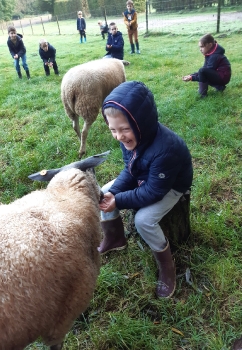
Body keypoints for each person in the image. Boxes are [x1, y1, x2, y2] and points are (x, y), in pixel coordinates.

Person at [99, 81, 193, 299]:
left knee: (144, 220)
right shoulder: (131, 139)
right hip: (148, 178)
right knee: (105, 190)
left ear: (142, 123)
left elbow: (153, 192)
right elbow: (130, 170)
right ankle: (114, 238)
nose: (119, 137)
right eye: (112, 129)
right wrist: (115, 193)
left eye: (124, 129)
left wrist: (119, 200)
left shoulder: (166, 149)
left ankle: (167, 266)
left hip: (171, 186)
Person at [182, 33, 231, 98]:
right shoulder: (211, 53)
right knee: (203, 71)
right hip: (221, 77)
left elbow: (204, 72)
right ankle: (220, 87)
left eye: (202, 46)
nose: (200, 49)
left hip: (222, 78)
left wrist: (192, 78)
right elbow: (206, 69)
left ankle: (202, 95)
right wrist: (191, 75)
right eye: (199, 47)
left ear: (210, 45)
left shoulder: (215, 56)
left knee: (202, 71)